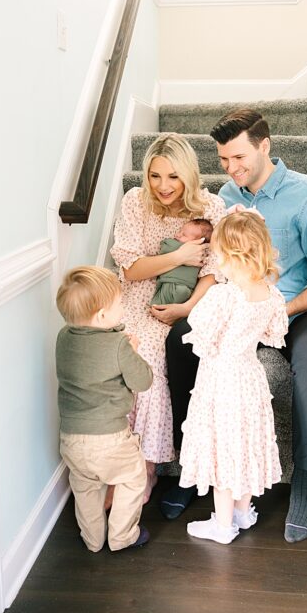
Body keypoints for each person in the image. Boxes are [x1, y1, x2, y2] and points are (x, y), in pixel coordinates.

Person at [163, 109, 307, 544]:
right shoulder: (227, 195)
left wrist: (281, 310)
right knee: (178, 340)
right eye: (224, 159)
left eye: (239, 157)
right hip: (240, 308)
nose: (230, 168)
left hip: (298, 309)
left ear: (265, 145)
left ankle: (304, 481)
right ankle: (183, 467)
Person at [110, 133, 227, 501]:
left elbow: (215, 269)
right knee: (118, 355)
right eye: (155, 176)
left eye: (173, 177)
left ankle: (147, 467)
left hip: (190, 299)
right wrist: (178, 257)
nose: (163, 186)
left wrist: (188, 308)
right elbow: (130, 268)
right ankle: (117, 465)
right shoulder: (135, 202)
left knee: (150, 359)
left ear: (189, 176)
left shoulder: (211, 207)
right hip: (135, 296)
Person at [177, 212, 289, 545]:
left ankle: (223, 525)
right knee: (242, 443)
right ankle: (242, 511)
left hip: (221, 381)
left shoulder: (224, 296)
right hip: (250, 378)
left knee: (223, 447)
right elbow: (273, 334)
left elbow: (202, 337)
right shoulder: (270, 294)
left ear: (230, 255)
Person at [54, 266, 153, 552]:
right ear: (101, 315)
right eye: (120, 304)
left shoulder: (63, 337)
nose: (123, 307)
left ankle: (93, 539)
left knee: (85, 486)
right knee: (133, 478)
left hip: (71, 437)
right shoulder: (119, 345)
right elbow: (143, 381)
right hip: (110, 438)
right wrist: (132, 351)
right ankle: (122, 536)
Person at [150, 218, 214, 306]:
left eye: (183, 234)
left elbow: (165, 247)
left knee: (158, 303)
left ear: (197, 242)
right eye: (180, 231)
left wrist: (165, 242)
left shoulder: (175, 246)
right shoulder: (202, 255)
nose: (177, 235)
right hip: (188, 289)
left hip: (172, 283)